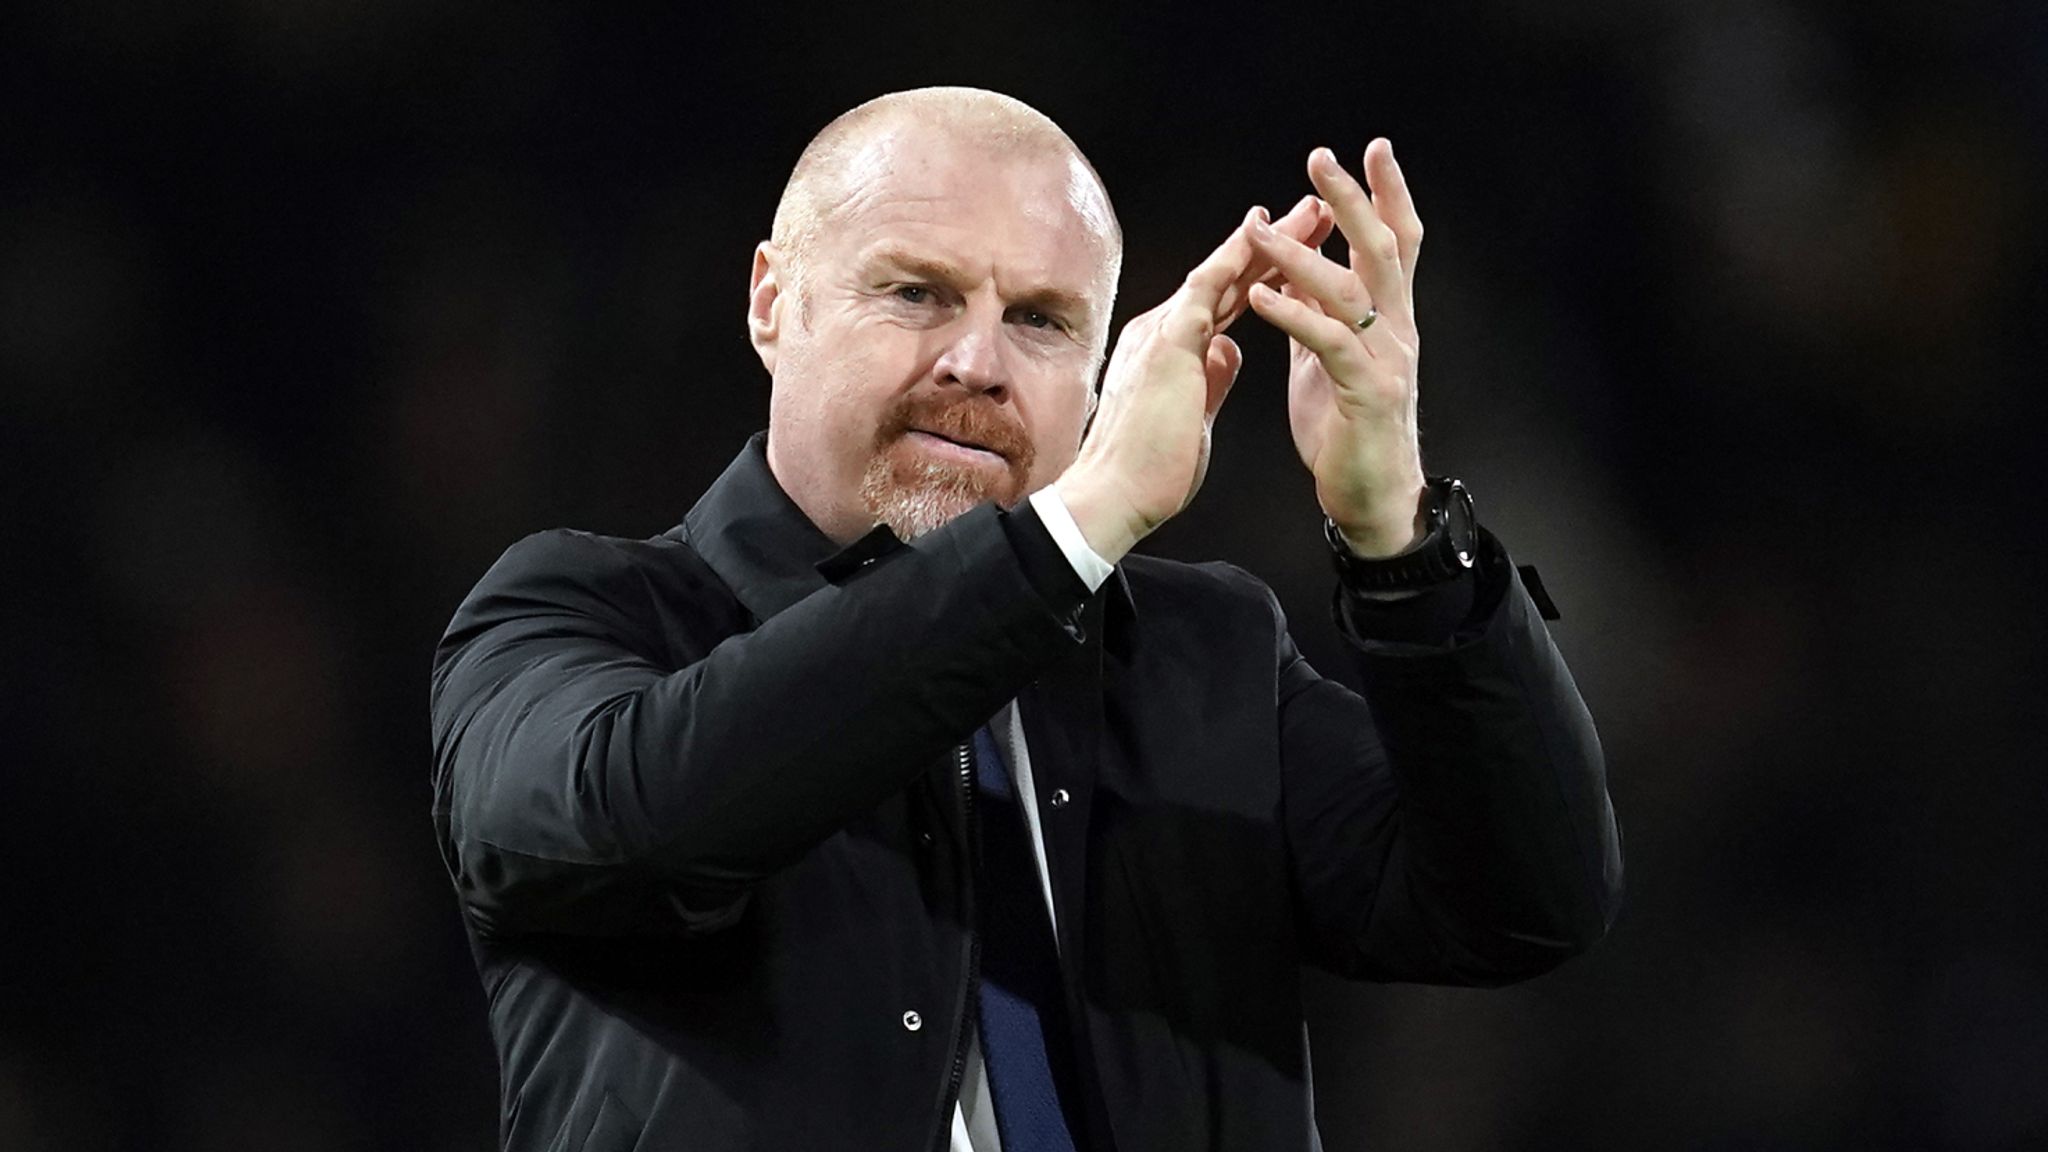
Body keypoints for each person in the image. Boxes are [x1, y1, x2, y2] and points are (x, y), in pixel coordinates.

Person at [429, 86, 1623, 1152]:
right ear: (770, 303)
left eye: (1043, 321)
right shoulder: (576, 616)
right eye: (915, 292)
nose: (978, 362)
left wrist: (1397, 535)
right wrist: (1081, 522)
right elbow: (641, 824)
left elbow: (1525, 903)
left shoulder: (1201, 657)